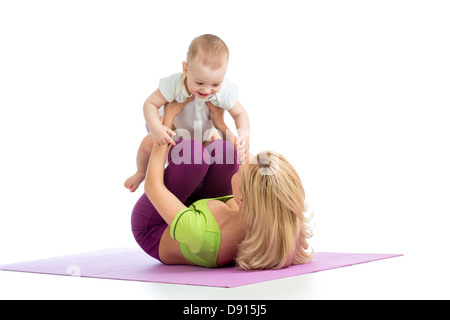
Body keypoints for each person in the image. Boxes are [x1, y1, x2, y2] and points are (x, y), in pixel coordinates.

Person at [131, 99, 313, 270]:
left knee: (191, 156)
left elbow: (153, 187)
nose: (242, 164)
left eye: (242, 170)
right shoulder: (276, 219)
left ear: (241, 200)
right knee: (224, 152)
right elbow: (256, 170)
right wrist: (220, 123)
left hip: (154, 228)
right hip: (203, 215)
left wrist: (166, 124)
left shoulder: (202, 233)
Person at [125, 34, 250, 192]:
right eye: (199, 83)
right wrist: (156, 128)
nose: (206, 90)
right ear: (185, 69)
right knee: (148, 143)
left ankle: (211, 182)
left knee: (225, 149)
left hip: (205, 133)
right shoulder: (175, 85)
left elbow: (240, 114)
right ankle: (141, 172)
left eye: (215, 84)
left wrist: (244, 136)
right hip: (174, 130)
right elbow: (150, 104)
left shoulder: (223, 91)